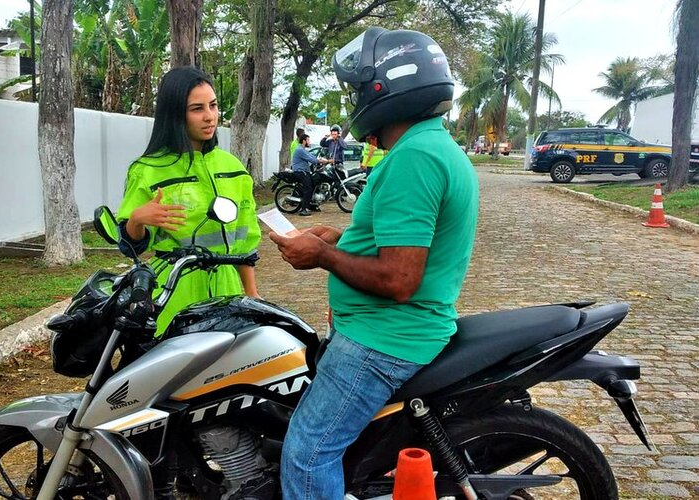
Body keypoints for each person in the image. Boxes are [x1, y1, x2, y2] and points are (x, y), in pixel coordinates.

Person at [270, 28, 479, 499]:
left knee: (308, 451)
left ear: (385, 88)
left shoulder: (416, 158)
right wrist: (342, 237)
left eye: (358, 88)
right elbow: (405, 243)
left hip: (385, 337)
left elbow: (400, 278)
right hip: (393, 329)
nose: (355, 99)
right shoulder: (431, 147)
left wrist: (322, 255)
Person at [116, 66, 262, 336]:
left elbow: (246, 241)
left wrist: (251, 295)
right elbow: (129, 245)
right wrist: (137, 219)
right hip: (172, 290)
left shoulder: (233, 168)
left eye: (213, 106)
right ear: (175, 114)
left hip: (226, 290)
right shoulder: (148, 170)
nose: (210, 117)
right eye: (197, 109)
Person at [291, 134, 332, 216]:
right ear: (304, 141)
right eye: (308, 140)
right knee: (308, 188)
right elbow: (312, 159)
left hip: (305, 172)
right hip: (300, 172)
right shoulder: (300, 150)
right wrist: (323, 161)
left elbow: (312, 156)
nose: (309, 142)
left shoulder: (303, 149)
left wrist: (321, 160)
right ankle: (303, 209)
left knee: (314, 182)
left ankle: (312, 205)